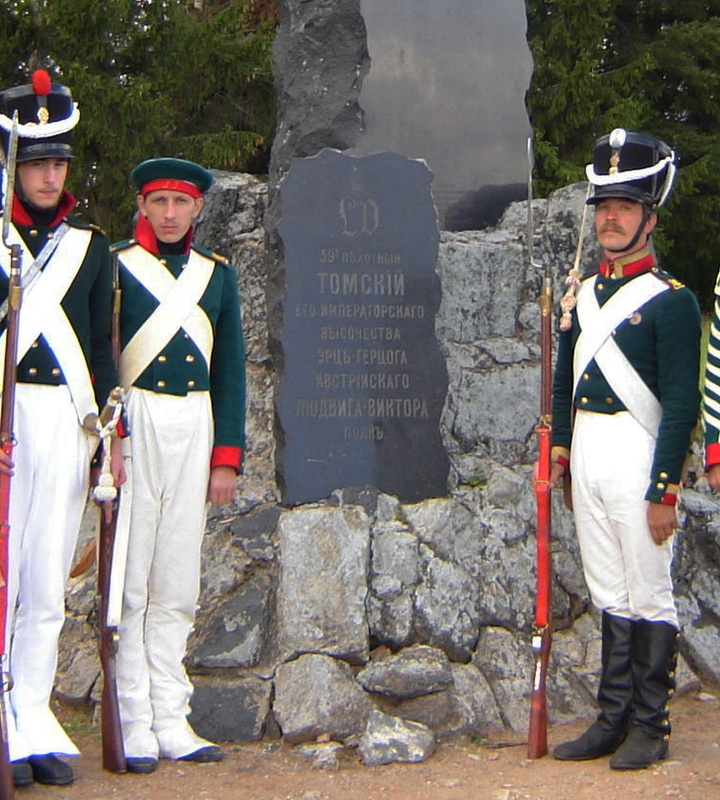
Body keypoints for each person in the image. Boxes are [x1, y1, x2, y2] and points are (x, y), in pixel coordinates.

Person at [547, 129, 701, 770]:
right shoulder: (584, 294)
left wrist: (664, 488)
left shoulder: (672, 302)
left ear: (649, 217)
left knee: (649, 593)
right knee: (609, 590)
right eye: (604, 206)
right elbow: (563, 382)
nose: (610, 218)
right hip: (588, 461)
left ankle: (651, 724)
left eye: (625, 206)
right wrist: (558, 454)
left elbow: (680, 405)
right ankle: (611, 720)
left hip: (639, 460)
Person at [0, 71, 118, 786]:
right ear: (13, 166)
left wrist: (109, 433)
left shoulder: (90, 248)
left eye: (59, 163)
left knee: (47, 583)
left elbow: (101, 351)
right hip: (5, 421)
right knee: (3, 579)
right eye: (37, 162)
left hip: (66, 425)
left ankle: (33, 716)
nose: (50, 175)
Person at [112, 158, 246, 774]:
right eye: (159, 201)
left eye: (181, 203)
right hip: (137, 420)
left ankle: (172, 714)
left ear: (197, 209)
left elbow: (230, 374)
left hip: (194, 424)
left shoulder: (217, 277)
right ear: (142, 205)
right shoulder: (116, 267)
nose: (169, 214)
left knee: (177, 577)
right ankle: (131, 714)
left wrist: (227, 459)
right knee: (131, 576)